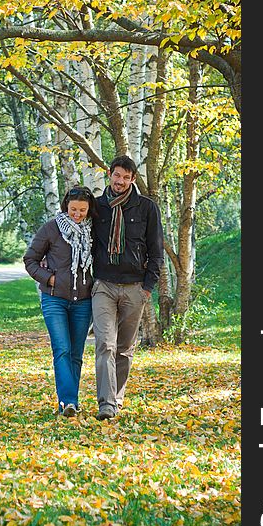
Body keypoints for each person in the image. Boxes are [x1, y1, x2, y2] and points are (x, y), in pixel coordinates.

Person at [91, 155, 164, 420]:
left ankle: (116, 398)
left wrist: (147, 288)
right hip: (104, 286)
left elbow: (156, 251)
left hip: (135, 288)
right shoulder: (97, 207)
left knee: (124, 349)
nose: (120, 181)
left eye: (126, 177)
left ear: (133, 179)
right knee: (105, 344)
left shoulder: (147, 208)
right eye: (116, 175)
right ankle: (106, 404)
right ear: (109, 175)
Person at [23, 186, 97, 417]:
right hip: (55, 299)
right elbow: (30, 259)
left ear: (89, 209)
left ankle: (70, 401)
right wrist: (50, 278)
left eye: (82, 210)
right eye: (73, 209)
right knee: (62, 350)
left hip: (83, 301)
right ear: (66, 206)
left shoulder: (95, 231)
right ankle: (68, 402)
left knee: (76, 353)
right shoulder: (52, 229)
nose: (77, 214)